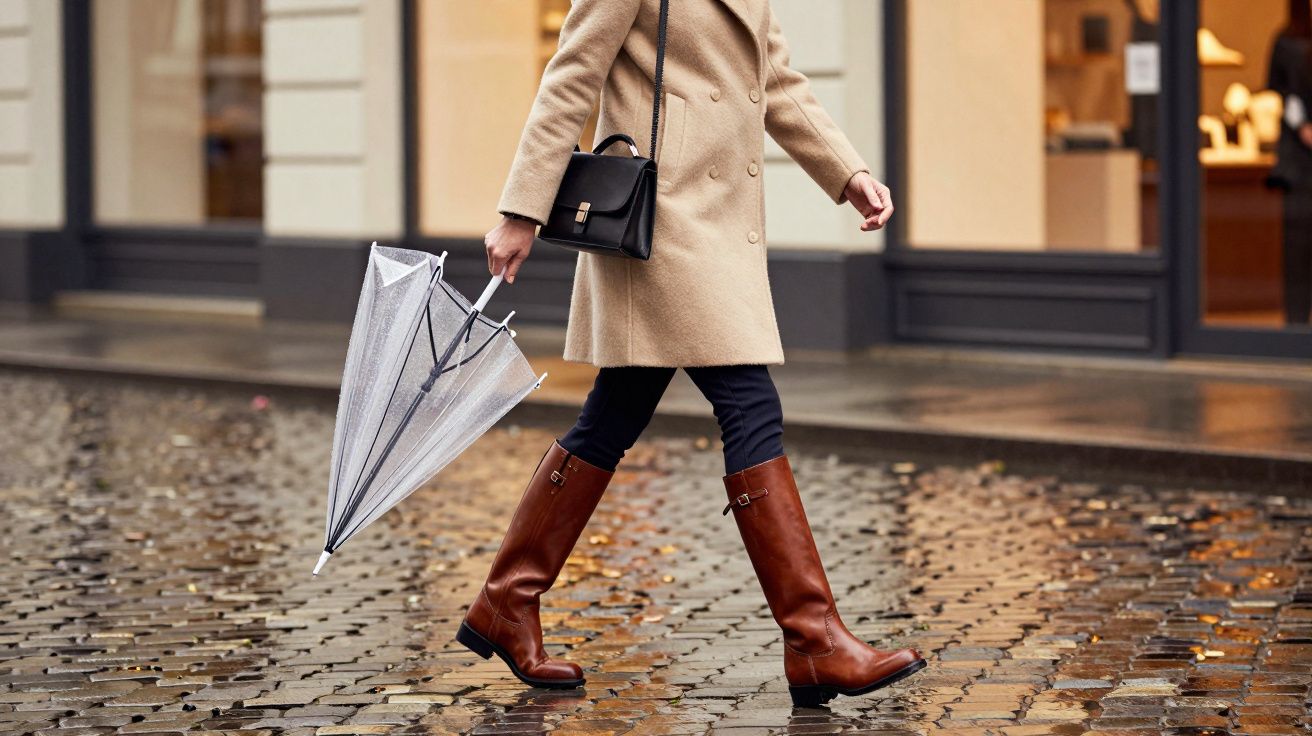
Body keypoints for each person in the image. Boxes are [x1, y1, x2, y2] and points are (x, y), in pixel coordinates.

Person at [455, 0, 925, 707]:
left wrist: (846, 172)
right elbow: (572, 74)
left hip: (712, 224)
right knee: (748, 402)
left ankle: (506, 601)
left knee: (612, 416)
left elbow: (779, 84)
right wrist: (522, 208)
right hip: (664, 223)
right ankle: (814, 640)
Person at [1269, 0, 1312, 325]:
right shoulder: (1287, 40)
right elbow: (1281, 92)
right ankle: (1296, 322)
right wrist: (1300, 125)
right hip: (1300, 163)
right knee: (1298, 244)